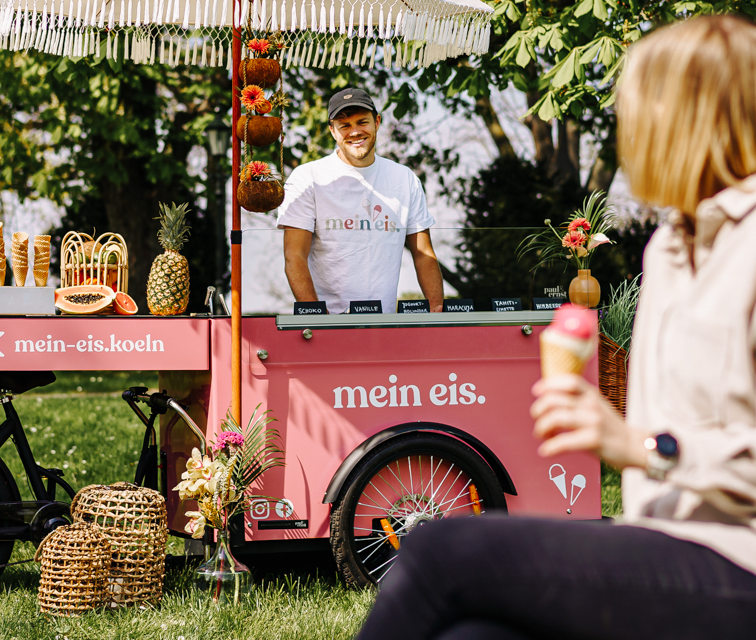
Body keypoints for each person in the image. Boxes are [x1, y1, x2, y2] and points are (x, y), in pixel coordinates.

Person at [355, 15, 756, 640]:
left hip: (739, 564)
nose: (629, 137)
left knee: (439, 552)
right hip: (661, 546)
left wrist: (644, 448)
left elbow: (670, 447)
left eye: (638, 113)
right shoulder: (672, 247)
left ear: (688, 121)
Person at [277, 88, 445, 314]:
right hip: (329, 325)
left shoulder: (404, 178)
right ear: (332, 131)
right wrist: (318, 318)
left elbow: (424, 254)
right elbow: (294, 256)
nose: (354, 131)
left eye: (362, 122)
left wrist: (436, 311)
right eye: (344, 125)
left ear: (377, 121)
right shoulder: (308, 178)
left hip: (385, 327)